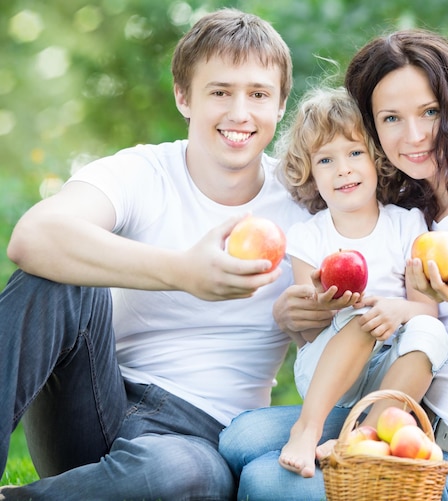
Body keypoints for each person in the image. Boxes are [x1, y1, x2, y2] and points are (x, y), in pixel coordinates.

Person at [219, 28, 448, 501]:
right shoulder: (419, 205)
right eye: (391, 118)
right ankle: (343, 441)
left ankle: (348, 448)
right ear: (372, 130)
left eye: (429, 112)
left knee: (265, 482)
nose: (413, 136)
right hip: (404, 417)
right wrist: (298, 317)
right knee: (240, 440)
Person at [0, 8, 310, 501]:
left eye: (258, 94)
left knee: (191, 473)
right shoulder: (145, 172)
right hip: (97, 405)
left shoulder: (304, 205)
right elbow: (32, 237)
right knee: (55, 272)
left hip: (201, 438)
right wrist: (182, 272)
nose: (239, 112)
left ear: (279, 105)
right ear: (183, 97)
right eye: (219, 91)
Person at [272, 86, 448, 478]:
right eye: (326, 159)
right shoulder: (308, 237)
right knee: (361, 318)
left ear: (376, 159)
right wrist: (323, 302)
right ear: (309, 171)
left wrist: (397, 310)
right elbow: (306, 332)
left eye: (355, 153)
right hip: (326, 373)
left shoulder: (406, 225)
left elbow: (426, 307)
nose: (343, 169)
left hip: (387, 372)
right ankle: (307, 428)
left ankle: (362, 439)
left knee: (430, 330)